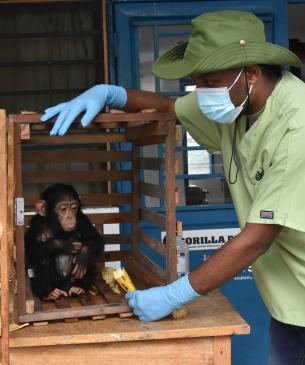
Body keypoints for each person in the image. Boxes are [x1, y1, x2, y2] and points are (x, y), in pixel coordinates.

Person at [41, 10, 305, 364]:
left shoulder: (297, 127)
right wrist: (112, 94)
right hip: (290, 302)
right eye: (198, 82)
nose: (203, 92)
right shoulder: (238, 98)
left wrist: (175, 294)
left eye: (209, 82)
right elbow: (169, 107)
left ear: (253, 73)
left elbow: (257, 237)